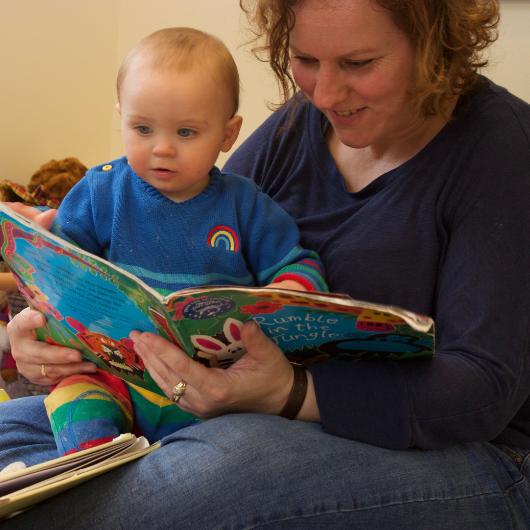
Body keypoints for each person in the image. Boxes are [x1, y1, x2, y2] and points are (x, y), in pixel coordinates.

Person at [1, 0, 530, 527]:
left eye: (359, 63)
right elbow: (189, 221)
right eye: (305, 59)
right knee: (13, 436)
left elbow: (482, 391)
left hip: (471, 452)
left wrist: (289, 392)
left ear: (434, 44)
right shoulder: (303, 123)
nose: (324, 94)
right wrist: (49, 321)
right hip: (229, 403)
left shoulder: (500, 150)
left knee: (190, 479)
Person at [11, 27, 327, 458]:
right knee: (75, 404)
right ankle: (93, 462)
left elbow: (299, 265)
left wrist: (290, 291)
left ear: (228, 135)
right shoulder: (100, 192)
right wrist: (44, 314)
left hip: (210, 390)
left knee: (229, 451)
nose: (161, 149)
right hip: (111, 372)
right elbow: (59, 267)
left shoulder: (247, 205)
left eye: (186, 133)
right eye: (142, 128)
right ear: (120, 116)